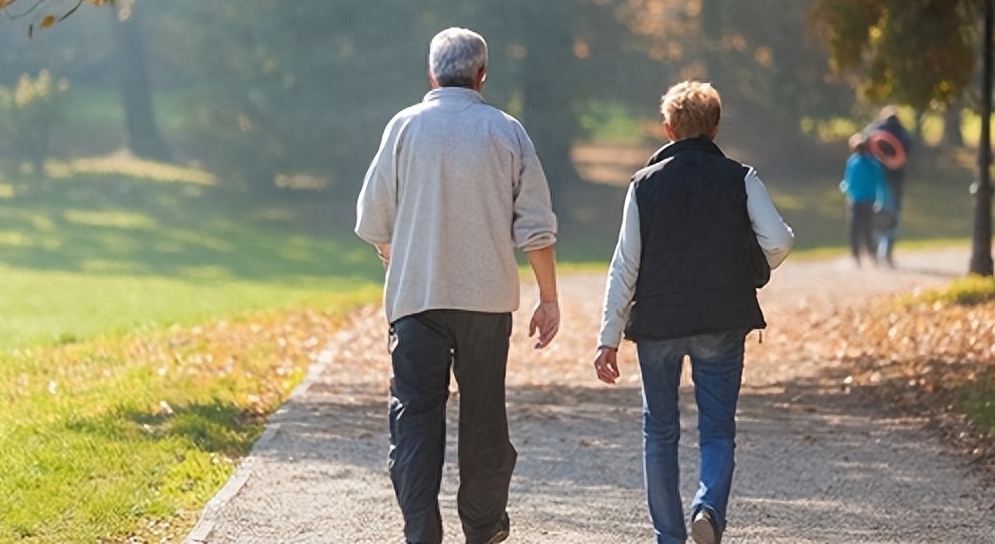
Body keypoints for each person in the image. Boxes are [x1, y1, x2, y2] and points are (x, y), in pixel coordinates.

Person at [355, 27, 560, 544]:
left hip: (417, 300)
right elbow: (536, 225)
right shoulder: (507, 131)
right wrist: (548, 298)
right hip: (486, 302)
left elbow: (373, 220)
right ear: (482, 74)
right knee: (484, 412)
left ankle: (422, 527)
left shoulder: (403, 128)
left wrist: (397, 259)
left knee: (416, 414)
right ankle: (484, 526)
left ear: (431, 73)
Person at [593, 81, 794, 544]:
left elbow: (626, 263)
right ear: (715, 127)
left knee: (659, 432)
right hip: (722, 317)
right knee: (718, 429)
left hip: (658, 324)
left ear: (668, 129)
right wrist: (751, 266)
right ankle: (708, 508)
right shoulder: (740, 178)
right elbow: (779, 241)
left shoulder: (643, 185)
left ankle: (668, 536)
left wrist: (608, 336)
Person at [864, 106, 914, 265]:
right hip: (895, 178)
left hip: (874, 178)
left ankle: (875, 251)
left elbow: (863, 141)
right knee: (893, 216)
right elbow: (909, 146)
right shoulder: (902, 133)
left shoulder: (873, 130)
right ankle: (887, 252)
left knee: (875, 214)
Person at [840, 133, 888, 267]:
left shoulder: (852, 162)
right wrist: (881, 199)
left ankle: (856, 256)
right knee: (869, 228)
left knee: (855, 229)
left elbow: (848, 182)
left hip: (855, 200)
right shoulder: (874, 164)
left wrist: (845, 188)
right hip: (870, 200)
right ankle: (873, 255)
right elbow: (880, 183)